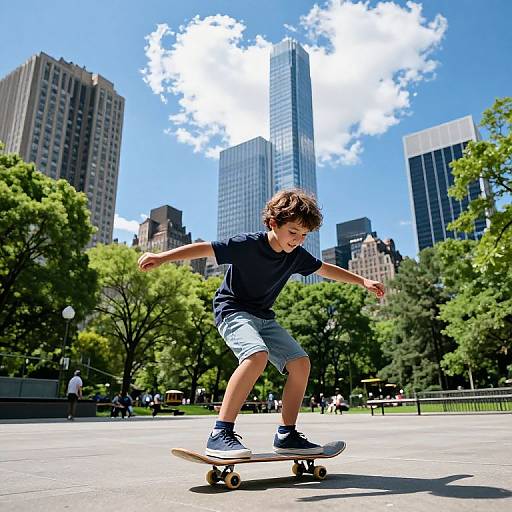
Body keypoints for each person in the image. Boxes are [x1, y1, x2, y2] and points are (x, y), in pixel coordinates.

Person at [138, 189, 385, 458]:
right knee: (256, 355)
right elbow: (206, 249)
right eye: (293, 232)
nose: (298, 240)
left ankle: (287, 435)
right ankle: (220, 433)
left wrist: (363, 281)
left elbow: (326, 269)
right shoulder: (248, 244)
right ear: (273, 224)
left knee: (300, 364)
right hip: (232, 310)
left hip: (264, 317)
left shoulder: (297, 255)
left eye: (304, 235)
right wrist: (162, 257)